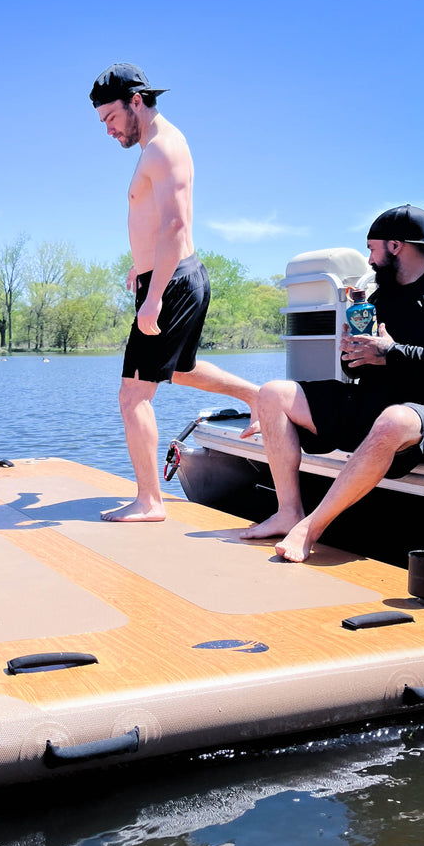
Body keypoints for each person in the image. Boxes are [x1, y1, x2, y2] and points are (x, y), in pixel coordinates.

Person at [241, 204, 424, 561]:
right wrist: (355, 354)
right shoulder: (380, 296)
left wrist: (392, 353)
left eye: (372, 248)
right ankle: (288, 510)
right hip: (373, 402)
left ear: (396, 245)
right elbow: (360, 369)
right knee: (274, 393)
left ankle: (311, 526)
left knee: (394, 419)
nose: (369, 259)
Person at [90, 62, 260, 522]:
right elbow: (157, 224)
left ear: (137, 102)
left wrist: (155, 294)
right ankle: (257, 397)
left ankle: (149, 501)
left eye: (110, 118)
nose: (107, 130)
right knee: (178, 370)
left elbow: (175, 223)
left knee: (133, 397)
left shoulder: (164, 147)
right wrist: (140, 268)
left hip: (173, 282)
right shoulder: (155, 148)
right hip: (166, 276)